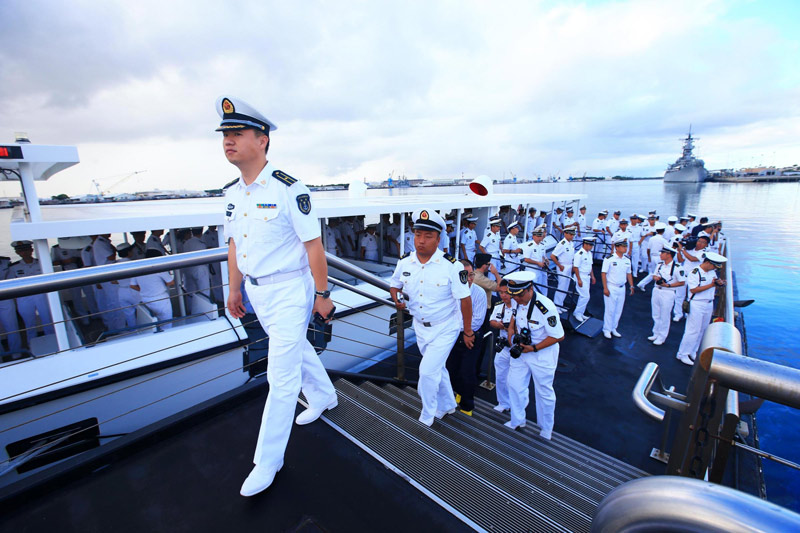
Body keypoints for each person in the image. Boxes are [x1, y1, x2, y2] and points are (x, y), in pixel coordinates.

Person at [216, 96, 337, 497]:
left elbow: (313, 246)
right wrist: (234, 288)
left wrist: (322, 293)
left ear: (262, 140)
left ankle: (267, 461)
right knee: (295, 348)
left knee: (280, 377)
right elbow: (235, 244)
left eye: (237, 133)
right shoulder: (232, 193)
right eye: (225, 134)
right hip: (257, 290)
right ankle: (325, 396)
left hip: (289, 290)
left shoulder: (288, 188)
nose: (228, 140)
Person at [390, 208, 473, 426]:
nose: (421, 240)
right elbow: (394, 284)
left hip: (445, 327)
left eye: (428, 236)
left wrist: (467, 331)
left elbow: (465, 300)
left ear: (438, 239)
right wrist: (396, 298)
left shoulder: (452, 266)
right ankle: (448, 405)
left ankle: (427, 414)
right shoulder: (405, 262)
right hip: (420, 327)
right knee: (437, 368)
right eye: (418, 234)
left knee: (427, 372)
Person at [504, 271, 565, 439]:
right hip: (522, 351)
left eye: (519, 295)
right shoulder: (517, 300)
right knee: (514, 384)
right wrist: (511, 332)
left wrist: (534, 348)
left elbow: (558, 336)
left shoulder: (545, 307)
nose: (516, 298)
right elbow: (514, 317)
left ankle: (546, 429)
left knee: (543, 391)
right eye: (513, 295)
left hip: (542, 354)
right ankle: (517, 420)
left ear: (530, 289)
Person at [446, 259, 487, 415]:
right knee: (450, 368)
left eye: (471, 275)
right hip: (452, 335)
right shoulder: (449, 291)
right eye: (464, 275)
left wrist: (463, 330)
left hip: (471, 336)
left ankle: (467, 406)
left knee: (467, 372)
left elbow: (477, 321)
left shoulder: (479, 293)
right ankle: (455, 394)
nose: (469, 279)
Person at [675, 252, 727, 366]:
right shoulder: (695, 272)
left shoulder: (712, 272)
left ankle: (693, 351)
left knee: (702, 330)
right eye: (714, 266)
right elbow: (693, 289)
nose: (715, 268)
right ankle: (683, 354)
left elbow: (713, 283)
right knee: (692, 330)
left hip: (708, 303)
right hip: (697, 304)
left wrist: (719, 283)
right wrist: (711, 285)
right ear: (707, 263)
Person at [9, 241, 55, 337]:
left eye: (26, 250)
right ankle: (32, 342)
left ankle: (53, 340)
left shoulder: (41, 263)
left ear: (31, 250)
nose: (24, 253)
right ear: (17, 252)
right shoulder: (14, 267)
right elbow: (11, 284)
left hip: (42, 295)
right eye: (21, 251)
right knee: (29, 324)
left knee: (48, 320)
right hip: (24, 297)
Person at [647, 245, 685, 345]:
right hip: (657, 290)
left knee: (665, 315)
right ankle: (656, 333)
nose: (660, 254)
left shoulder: (677, 268)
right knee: (656, 314)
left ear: (669, 255)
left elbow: (682, 282)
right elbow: (654, 275)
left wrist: (668, 285)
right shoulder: (660, 265)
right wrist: (656, 278)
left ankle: (662, 336)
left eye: (663, 253)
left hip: (668, 292)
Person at [129, 249, 175, 328]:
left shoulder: (137, 268)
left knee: (150, 325)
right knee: (166, 323)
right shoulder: (158, 268)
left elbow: (132, 285)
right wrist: (160, 286)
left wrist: (145, 290)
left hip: (146, 299)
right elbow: (171, 282)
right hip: (161, 299)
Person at [600, 236, 634, 339]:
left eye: (626, 246)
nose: (625, 248)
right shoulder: (609, 259)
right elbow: (603, 273)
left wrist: (631, 286)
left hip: (622, 287)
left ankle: (613, 328)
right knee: (610, 310)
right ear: (617, 247)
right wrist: (605, 288)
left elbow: (629, 273)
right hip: (611, 287)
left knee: (618, 310)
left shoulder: (627, 260)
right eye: (623, 246)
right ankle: (607, 329)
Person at [489, 280, 514, 413]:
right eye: (501, 292)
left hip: (517, 348)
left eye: (506, 292)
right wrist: (499, 325)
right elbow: (492, 321)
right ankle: (503, 402)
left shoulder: (520, 307)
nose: (503, 295)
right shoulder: (499, 306)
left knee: (515, 380)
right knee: (500, 376)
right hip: (503, 346)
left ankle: (515, 405)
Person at [0, 255, 23, 357]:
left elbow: (11, 278)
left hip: (4, 297)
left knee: (12, 326)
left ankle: (16, 353)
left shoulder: (5, 262)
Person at [549, 226, 576, 309]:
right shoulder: (562, 244)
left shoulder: (571, 243)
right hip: (563, 267)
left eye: (573, 234)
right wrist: (559, 265)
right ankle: (557, 306)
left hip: (569, 266)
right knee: (561, 286)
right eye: (571, 234)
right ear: (565, 234)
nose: (572, 236)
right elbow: (552, 256)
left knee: (566, 287)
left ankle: (561, 304)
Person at [115, 243, 141, 329]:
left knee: (128, 314)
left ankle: (133, 331)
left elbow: (113, 281)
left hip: (121, 290)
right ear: (129, 252)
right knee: (142, 312)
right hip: (133, 290)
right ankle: (144, 331)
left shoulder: (115, 265)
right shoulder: (133, 264)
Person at [572, 237, 596, 321]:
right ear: (585, 244)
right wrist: (579, 279)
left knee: (585, 296)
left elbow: (590, 266)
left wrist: (592, 276)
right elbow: (575, 267)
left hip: (587, 276)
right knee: (585, 296)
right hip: (581, 276)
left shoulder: (589, 253)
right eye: (590, 245)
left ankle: (581, 313)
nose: (591, 247)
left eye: (592, 245)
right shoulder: (579, 254)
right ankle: (577, 313)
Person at [522, 226, 547, 291]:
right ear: (533, 236)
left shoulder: (541, 245)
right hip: (532, 270)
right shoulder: (529, 246)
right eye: (538, 236)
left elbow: (542, 256)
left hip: (539, 269)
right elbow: (526, 259)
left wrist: (545, 260)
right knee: (533, 288)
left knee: (539, 287)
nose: (539, 238)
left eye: (540, 236)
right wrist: (537, 263)